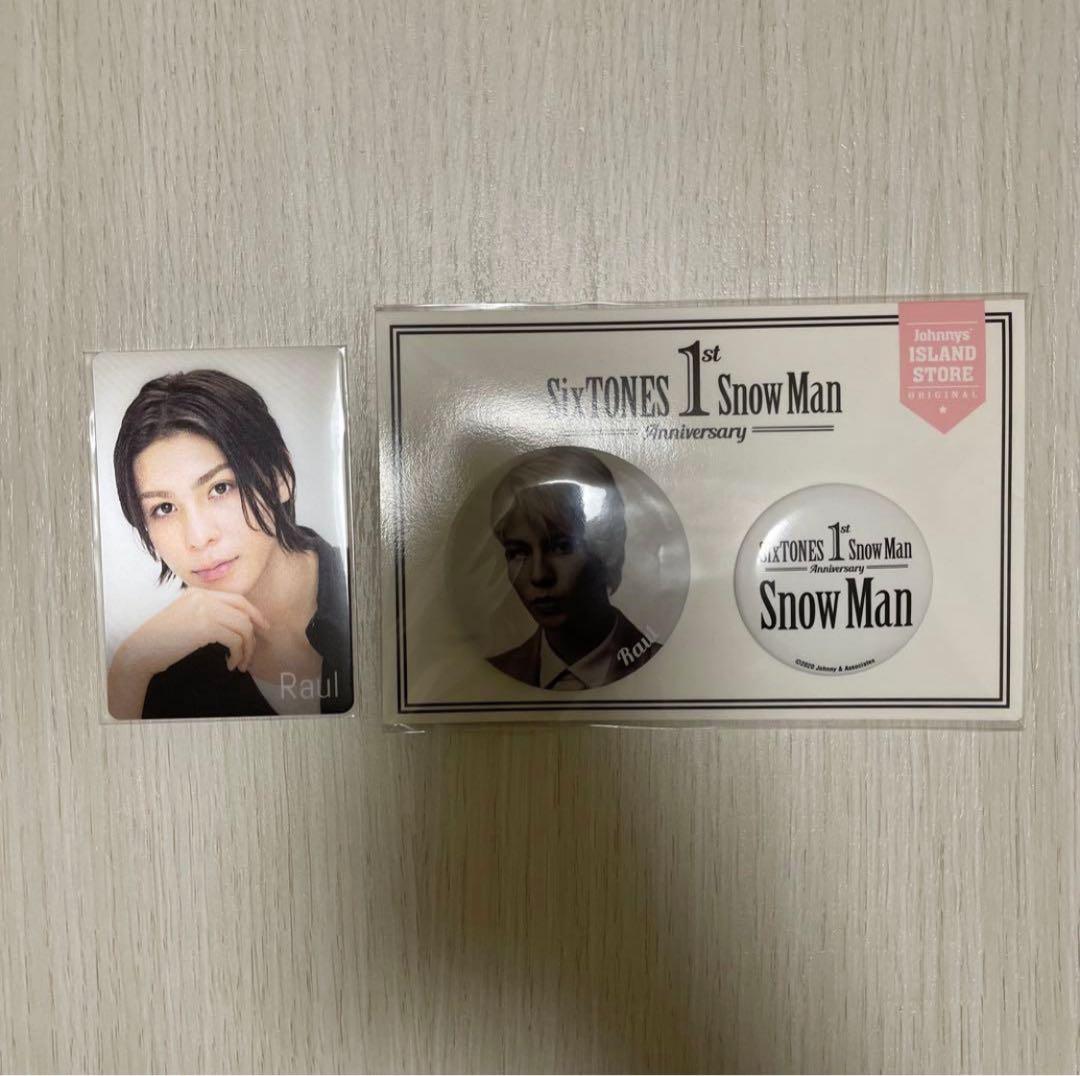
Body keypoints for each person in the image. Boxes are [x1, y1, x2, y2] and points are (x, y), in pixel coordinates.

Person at [106, 369, 352, 718]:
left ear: (280, 476)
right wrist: (128, 669)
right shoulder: (159, 674)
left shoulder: (377, 589)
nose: (198, 537)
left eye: (220, 488)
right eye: (164, 508)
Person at [487, 447, 660, 690]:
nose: (539, 575)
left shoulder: (668, 664)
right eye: (518, 552)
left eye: (562, 547)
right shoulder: (491, 674)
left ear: (607, 548)